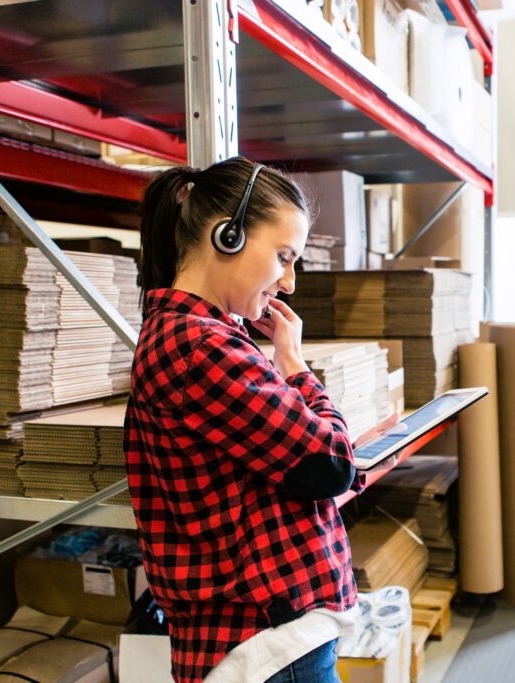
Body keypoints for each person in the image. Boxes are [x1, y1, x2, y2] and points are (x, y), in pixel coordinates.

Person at [124, 156, 367, 683]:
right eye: (283, 256)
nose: (289, 282)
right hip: (266, 641)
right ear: (227, 236)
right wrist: (296, 368)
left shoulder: (198, 337)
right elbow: (329, 464)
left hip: (266, 636)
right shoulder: (200, 347)